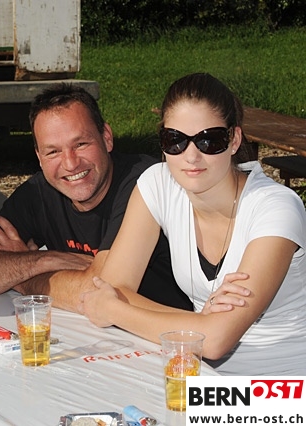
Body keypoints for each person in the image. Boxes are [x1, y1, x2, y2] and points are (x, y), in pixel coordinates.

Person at [75, 72, 306, 375]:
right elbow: (115, 287)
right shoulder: (157, 185)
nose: (191, 156)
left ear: (234, 140)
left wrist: (114, 311)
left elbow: (216, 341)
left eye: (210, 140)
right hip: (198, 372)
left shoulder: (275, 207)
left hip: (282, 386)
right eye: (175, 141)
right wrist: (200, 324)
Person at [0, 83, 192, 312]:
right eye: (53, 152)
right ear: (39, 157)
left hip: (172, 334)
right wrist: (40, 260)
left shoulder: (145, 184)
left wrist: (21, 277)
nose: (70, 164)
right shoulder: (39, 193)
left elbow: (101, 294)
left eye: (81, 144)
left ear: (106, 138)